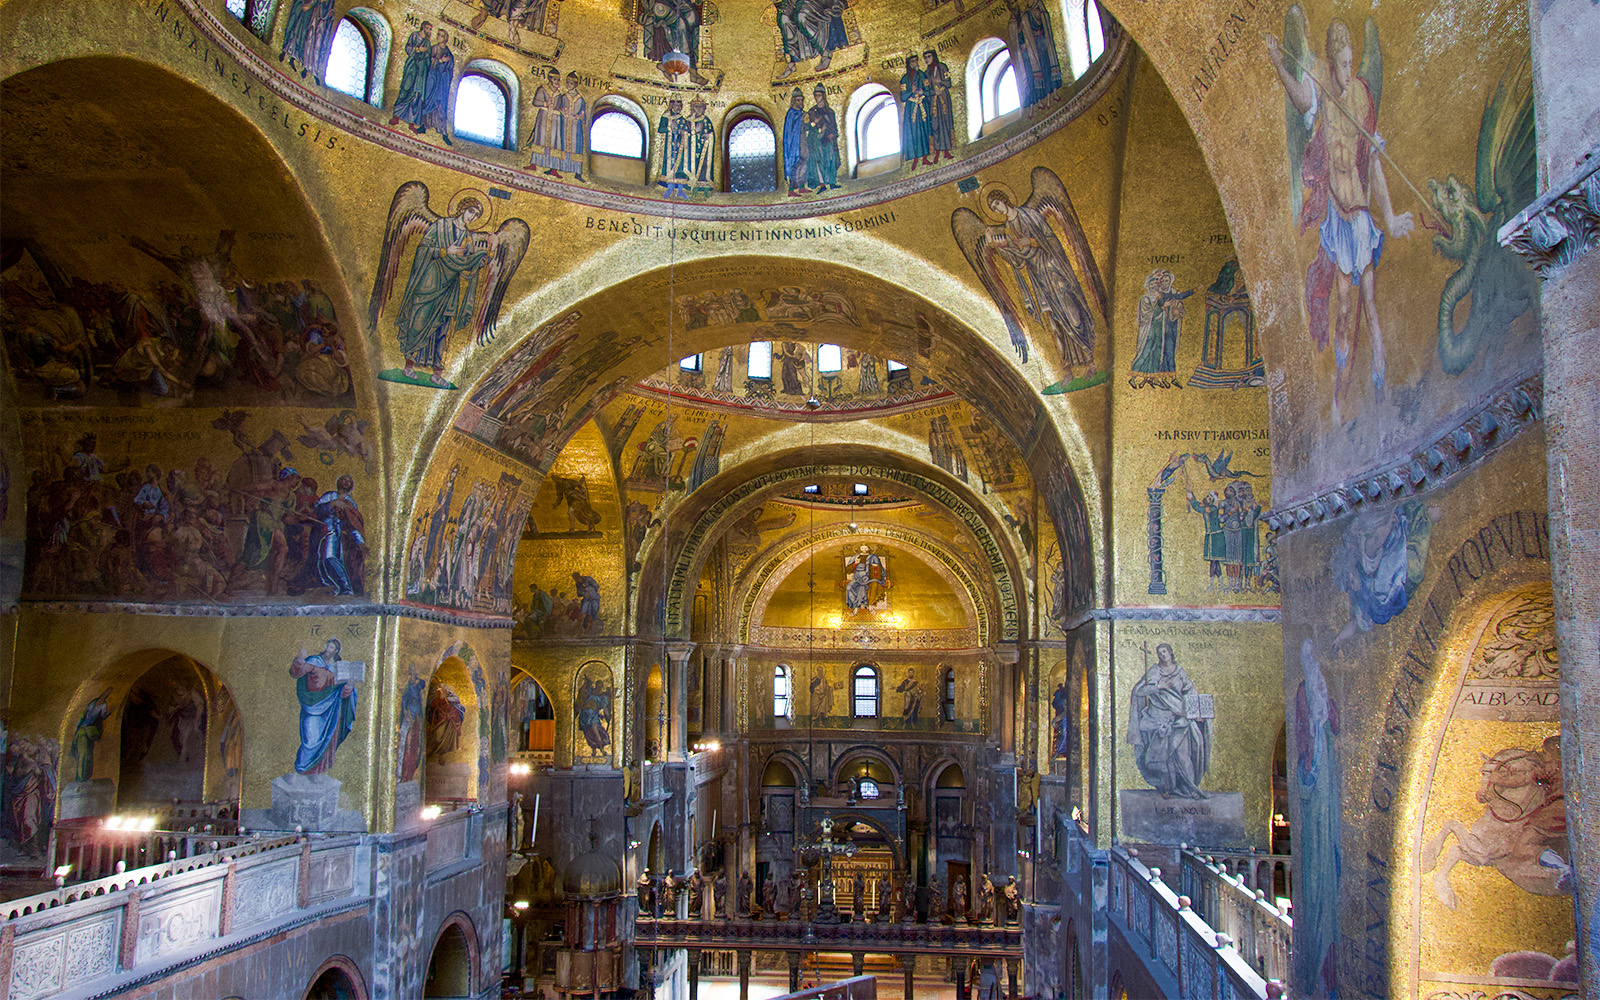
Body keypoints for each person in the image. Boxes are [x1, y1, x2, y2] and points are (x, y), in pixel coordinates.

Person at [1265, 19, 1414, 411]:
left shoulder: (1361, 97)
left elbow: (1374, 164)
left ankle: (1380, 385)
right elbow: (1300, 100)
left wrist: (1392, 215)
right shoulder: (1321, 87)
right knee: (1344, 309)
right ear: (1331, 61)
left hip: (1361, 214)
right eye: (1343, 64)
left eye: (1352, 63)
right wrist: (1278, 63)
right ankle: (1338, 394)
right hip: (1337, 214)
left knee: (1372, 304)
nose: (1349, 72)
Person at [984, 188, 1098, 383]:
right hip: (1038, 278)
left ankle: (1090, 360)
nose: (997, 209)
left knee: (1072, 313)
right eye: (994, 208)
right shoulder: (1007, 229)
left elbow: (1052, 240)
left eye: (997, 204)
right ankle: (1067, 369)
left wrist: (1033, 241)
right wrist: (995, 246)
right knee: (1054, 322)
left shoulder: (1030, 215)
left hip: (1054, 270)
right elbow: (1018, 260)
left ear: (1004, 200)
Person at [394, 198, 488, 385]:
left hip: (450, 286)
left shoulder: (469, 237)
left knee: (443, 326)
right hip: (430, 281)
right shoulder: (441, 225)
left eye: (476, 215)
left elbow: (465, 264)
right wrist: (446, 251)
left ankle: (437, 374)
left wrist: (477, 262)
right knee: (419, 320)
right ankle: (409, 366)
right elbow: (423, 250)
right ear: (462, 209)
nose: (472, 217)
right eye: (471, 212)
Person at [1126, 643, 1209, 799]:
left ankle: (1191, 787)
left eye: (1164, 651)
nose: (1162, 655)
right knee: (1164, 758)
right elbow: (1139, 691)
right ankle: (1167, 788)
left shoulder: (1179, 672)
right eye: (1159, 653)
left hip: (1178, 719)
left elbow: (1190, 691)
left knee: (1183, 756)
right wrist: (1157, 686)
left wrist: (1197, 711)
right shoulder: (1155, 671)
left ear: (1171, 653)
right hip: (1157, 720)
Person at [291, 640, 358, 775]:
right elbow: (297, 672)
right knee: (311, 740)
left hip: (331, 711)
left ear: (336, 651)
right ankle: (301, 769)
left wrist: (350, 685)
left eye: (331, 647)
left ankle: (316, 773)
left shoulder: (340, 668)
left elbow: (342, 694)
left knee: (327, 740)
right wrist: (300, 659)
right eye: (327, 645)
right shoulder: (314, 661)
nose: (327, 649)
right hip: (312, 706)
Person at [803, 85, 841, 192]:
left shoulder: (830, 111)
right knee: (818, 162)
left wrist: (831, 134)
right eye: (815, 95)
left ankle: (832, 182)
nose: (817, 98)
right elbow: (806, 126)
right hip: (815, 141)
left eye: (819, 95)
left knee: (830, 160)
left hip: (828, 140)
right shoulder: (812, 111)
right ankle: (822, 184)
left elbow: (834, 127)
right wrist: (815, 124)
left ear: (823, 96)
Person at [922, 50, 956, 161]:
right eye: (925, 57)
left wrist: (940, 82)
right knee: (935, 125)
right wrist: (932, 93)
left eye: (929, 56)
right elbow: (926, 90)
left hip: (943, 98)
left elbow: (948, 83)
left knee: (945, 124)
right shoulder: (926, 73)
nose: (927, 59)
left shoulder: (942, 67)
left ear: (933, 56)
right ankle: (937, 151)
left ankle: (946, 151)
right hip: (933, 101)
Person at [898, 52, 930, 168]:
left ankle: (925, 157)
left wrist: (922, 92)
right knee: (912, 133)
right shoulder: (904, 79)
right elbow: (902, 97)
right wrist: (911, 90)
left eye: (916, 60)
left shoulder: (922, 75)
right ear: (908, 64)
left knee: (923, 131)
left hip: (922, 106)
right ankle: (915, 158)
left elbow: (927, 89)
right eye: (912, 61)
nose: (915, 63)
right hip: (911, 108)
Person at [782, 88, 809, 195]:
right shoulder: (792, 114)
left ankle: (802, 186)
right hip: (794, 143)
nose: (801, 102)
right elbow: (790, 130)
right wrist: (801, 118)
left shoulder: (800, 113)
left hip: (802, 140)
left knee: (805, 159)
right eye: (798, 100)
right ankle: (792, 189)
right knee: (796, 162)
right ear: (793, 101)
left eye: (802, 100)